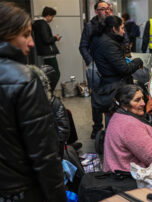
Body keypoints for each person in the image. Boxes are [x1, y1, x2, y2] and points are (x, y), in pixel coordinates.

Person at [0, 2, 66, 201]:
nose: (31, 43)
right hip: (20, 192)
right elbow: (44, 154)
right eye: (26, 35)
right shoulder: (24, 79)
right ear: (6, 34)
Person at [79, 0, 111, 139]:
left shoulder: (114, 24)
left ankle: (111, 130)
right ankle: (97, 127)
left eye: (107, 8)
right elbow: (83, 46)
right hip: (96, 68)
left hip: (112, 67)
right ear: (96, 11)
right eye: (102, 8)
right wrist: (90, 62)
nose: (106, 11)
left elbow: (125, 40)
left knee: (112, 98)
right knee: (97, 99)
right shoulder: (89, 26)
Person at [32, 6, 61, 92]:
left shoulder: (37, 23)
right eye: (52, 17)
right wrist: (55, 38)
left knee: (47, 74)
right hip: (49, 53)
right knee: (55, 74)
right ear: (48, 15)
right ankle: (49, 93)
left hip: (44, 53)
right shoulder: (43, 24)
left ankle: (47, 93)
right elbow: (46, 40)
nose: (52, 19)